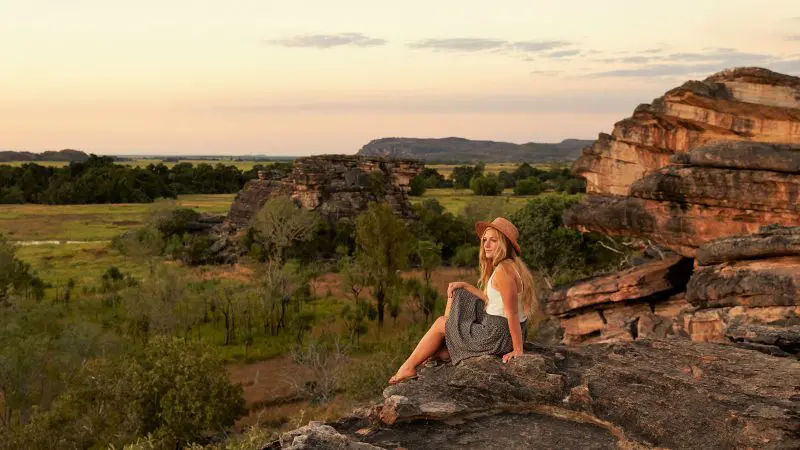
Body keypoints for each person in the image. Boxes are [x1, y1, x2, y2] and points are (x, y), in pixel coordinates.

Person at [388, 217, 537, 385]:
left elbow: (511, 313)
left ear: (504, 244)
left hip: (496, 335)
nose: (486, 245)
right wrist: (465, 285)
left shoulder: (503, 271)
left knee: (439, 323)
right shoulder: (511, 265)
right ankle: (447, 344)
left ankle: (408, 366)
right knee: (460, 292)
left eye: (493, 241)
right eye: (485, 240)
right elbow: (495, 301)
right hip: (502, 331)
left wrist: (518, 350)